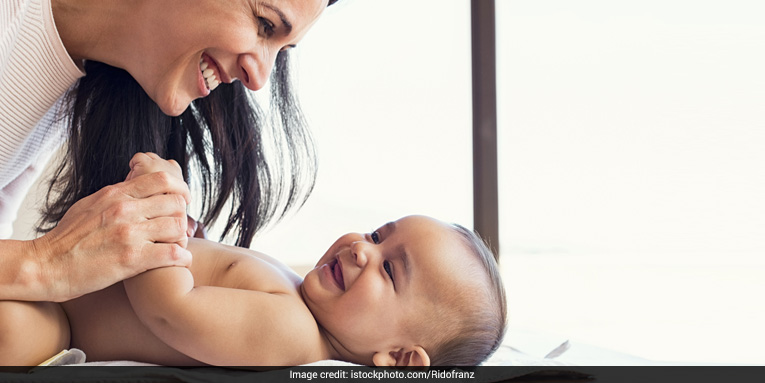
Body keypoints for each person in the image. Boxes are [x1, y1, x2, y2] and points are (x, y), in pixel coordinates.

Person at [0, 153, 508, 366]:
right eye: (378, 234)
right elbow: (217, 276)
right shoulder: (300, 301)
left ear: (399, 360)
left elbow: (171, 311)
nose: (361, 248)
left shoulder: (294, 333)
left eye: (389, 269)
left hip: (63, 322)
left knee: (9, 328)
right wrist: (200, 241)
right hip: (70, 289)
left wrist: (159, 219)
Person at [0, 0, 335, 303]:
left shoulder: (68, 80)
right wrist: (46, 262)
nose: (260, 78)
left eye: (283, 50)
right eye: (264, 24)